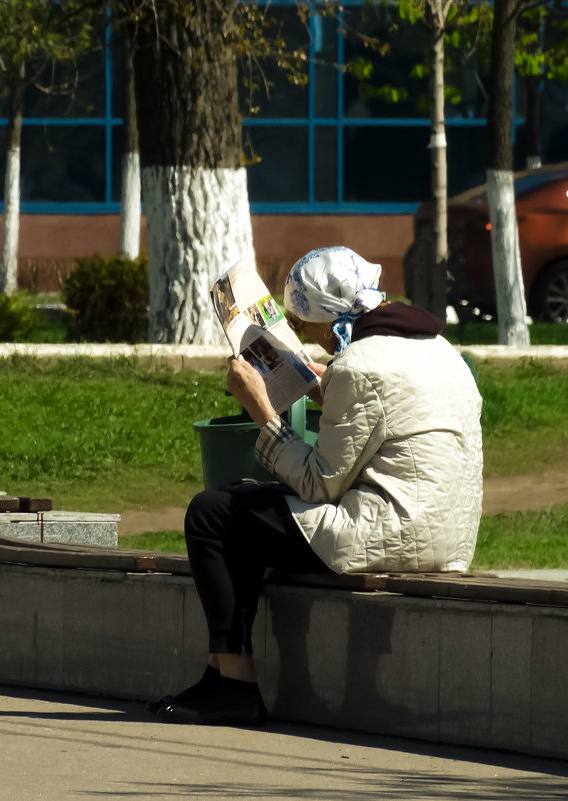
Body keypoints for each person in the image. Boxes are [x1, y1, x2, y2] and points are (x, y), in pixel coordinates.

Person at [149, 245, 483, 726]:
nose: (306, 337)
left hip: (393, 535)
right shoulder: (438, 351)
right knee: (248, 512)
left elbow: (317, 484)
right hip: (446, 535)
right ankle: (218, 676)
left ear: (328, 319)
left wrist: (261, 409)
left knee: (213, 514)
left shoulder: (361, 365)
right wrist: (319, 386)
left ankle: (235, 684)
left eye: (303, 325)